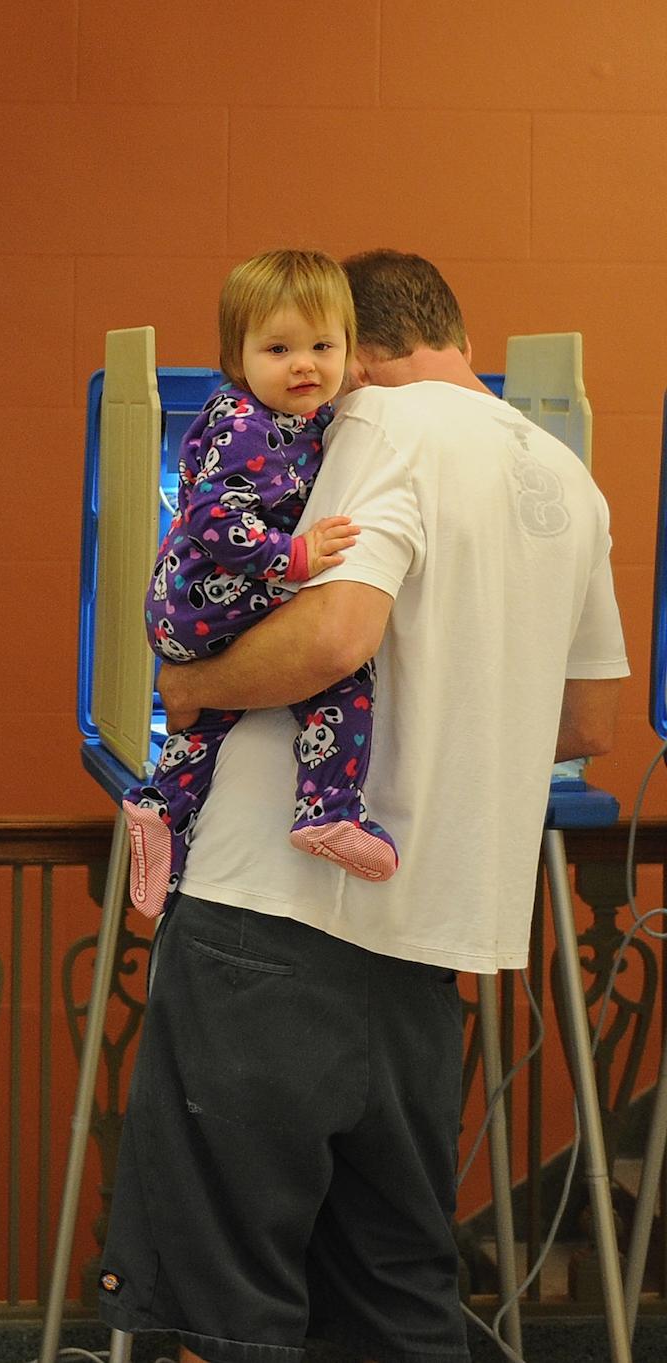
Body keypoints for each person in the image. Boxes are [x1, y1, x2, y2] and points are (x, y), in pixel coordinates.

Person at [95, 249, 627, 1363]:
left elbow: (336, 633)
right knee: (391, 1298)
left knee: (222, 1300)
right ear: (457, 337)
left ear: (359, 349)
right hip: (431, 937)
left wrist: (188, 684)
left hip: (272, 917)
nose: (307, 377)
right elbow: (584, 727)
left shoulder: (375, 428)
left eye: (318, 352)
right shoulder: (561, 473)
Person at [122, 248, 390, 917]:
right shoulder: (244, 424)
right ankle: (327, 809)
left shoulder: (304, 416)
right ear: (236, 359)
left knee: (209, 717)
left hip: (194, 604)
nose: (305, 364)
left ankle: (160, 813)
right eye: (279, 348)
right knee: (341, 676)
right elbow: (217, 518)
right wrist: (294, 558)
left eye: (323, 345)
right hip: (209, 594)